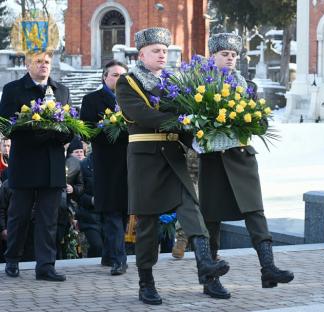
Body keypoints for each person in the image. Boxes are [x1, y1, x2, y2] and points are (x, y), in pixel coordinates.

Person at [116, 27, 230, 305]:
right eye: (156, 50)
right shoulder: (128, 82)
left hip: (173, 154)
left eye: (165, 50)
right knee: (148, 223)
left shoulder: (173, 83)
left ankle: (206, 266)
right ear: (141, 54)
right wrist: (179, 120)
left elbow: (185, 115)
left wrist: (201, 136)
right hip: (145, 157)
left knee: (192, 209)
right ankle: (146, 282)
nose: (162, 54)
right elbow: (140, 114)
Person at [197, 33, 294, 298]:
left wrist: (247, 120)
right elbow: (191, 122)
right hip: (213, 160)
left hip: (241, 157)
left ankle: (268, 268)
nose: (230, 58)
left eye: (233, 55)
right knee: (211, 220)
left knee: (255, 213)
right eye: (224, 54)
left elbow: (261, 122)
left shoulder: (247, 84)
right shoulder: (199, 84)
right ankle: (210, 278)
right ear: (213, 56)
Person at [0, 51, 71, 281]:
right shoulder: (13, 90)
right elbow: (8, 126)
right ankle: (12, 260)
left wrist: (58, 133)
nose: (44, 66)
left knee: (49, 218)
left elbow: (70, 127)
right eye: (38, 61)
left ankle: (45, 266)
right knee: (19, 216)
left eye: (47, 62)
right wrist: (45, 133)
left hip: (53, 164)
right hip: (25, 163)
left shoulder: (62, 90)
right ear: (28, 65)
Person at [80, 60, 129, 275]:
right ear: (104, 77)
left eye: (123, 76)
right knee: (112, 212)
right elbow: (85, 131)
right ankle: (120, 259)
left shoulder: (132, 99)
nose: (120, 80)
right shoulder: (91, 100)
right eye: (115, 75)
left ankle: (109, 255)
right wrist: (110, 127)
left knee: (124, 212)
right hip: (106, 164)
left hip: (129, 163)